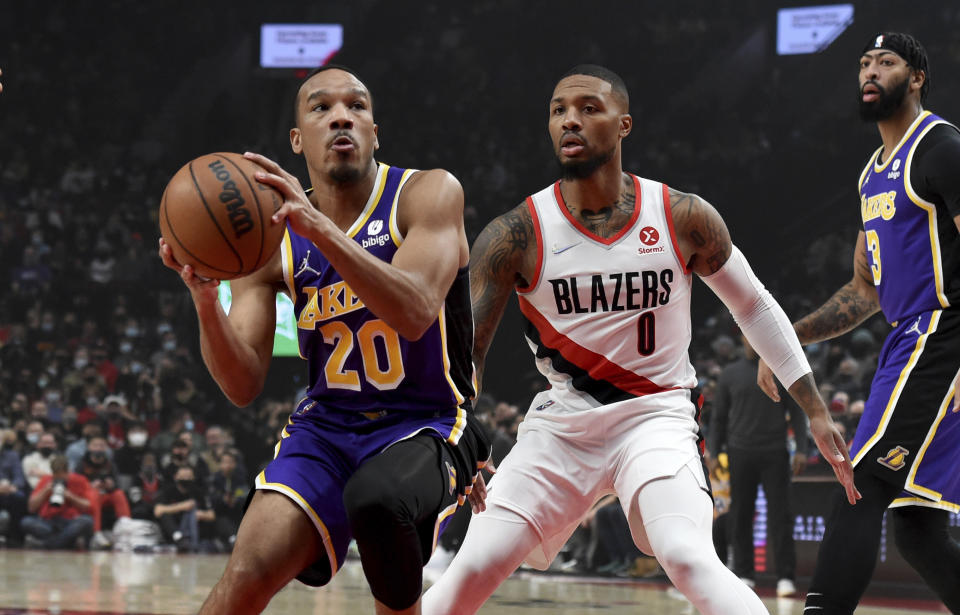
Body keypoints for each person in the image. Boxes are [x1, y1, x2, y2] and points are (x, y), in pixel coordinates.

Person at [422, 64, 857, 615]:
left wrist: (814, 409)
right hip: (562, 424)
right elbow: (468, 354)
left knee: (688, 557)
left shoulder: (682, 216)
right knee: (471, 569)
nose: (570, 121)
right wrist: (451, 431)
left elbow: (753, 304)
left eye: (588, 108)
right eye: (558, 110)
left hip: (656, 417)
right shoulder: (516, 233)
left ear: (624, 124)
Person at [158, 64, 489, 615]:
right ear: (297, 140)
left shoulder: (426, 194)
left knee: (378, 502)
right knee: (244, 575)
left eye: (357, 106)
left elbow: (411, 312)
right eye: (321, 107)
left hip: (428, 423)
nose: (342, 116)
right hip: (326, 429)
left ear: (374, 131)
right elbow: (242, 384)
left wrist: (320, 229)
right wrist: (204, 298)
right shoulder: (268, 238)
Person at [758, 32, 960, 614]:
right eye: (864, 63)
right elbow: (864, 290)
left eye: (887, 62)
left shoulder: (941, 148)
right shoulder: (872, 175)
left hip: (943, 334)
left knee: (861, 480)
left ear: (916, 77)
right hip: (907, 339)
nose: (871, 71)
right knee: (916, 528)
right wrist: (787, 338)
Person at [709, 335, 809, 597]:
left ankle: (785, 577)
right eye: (749, 334)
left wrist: (801, 448)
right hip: (739, 452)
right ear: (742, 336)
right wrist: (712, 450)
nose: (754, 339)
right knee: (740, 515)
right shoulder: (730, 374)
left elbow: (798, 412)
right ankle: (744, 574)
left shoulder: (779, 369)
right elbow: (718, 417)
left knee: (781, 516)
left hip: (775, 451)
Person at [20, 455, 94, 550]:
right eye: (56, 475)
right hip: (48, 522)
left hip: (69, 522)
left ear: (68, 471)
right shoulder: (46, 480)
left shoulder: (80, 480)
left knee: (86, 521)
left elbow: (87, 506)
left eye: (62, 476)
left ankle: (50, 544)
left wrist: (70, 496)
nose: (59, 479)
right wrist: (45, 491)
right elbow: (31, 508)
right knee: (26, 522)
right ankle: (64, 543)